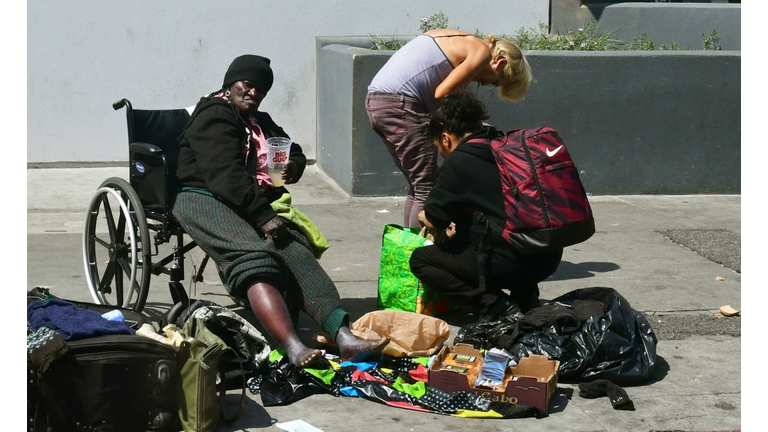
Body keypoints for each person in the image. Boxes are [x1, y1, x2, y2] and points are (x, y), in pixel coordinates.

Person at [173, 54, 388, 367]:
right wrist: (263, 217)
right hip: (201, 196)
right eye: (247, 85)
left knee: (296, 252)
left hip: (245, 197)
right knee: (254, 257)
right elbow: (226, 177)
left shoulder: (258, 120)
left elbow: (290, 147)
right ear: (231, 83)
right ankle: (293, 347)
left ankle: (345, 337)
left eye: (260, 89)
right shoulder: (215, 116)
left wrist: (295, 165)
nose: (253, 93)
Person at [409, 90, 562, 323]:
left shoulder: (460, 161)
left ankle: (494, 305)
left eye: (440, 148)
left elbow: (435, 218)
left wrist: (423, 215)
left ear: (445, 137)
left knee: (421, 259)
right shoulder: (507, 147)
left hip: (509, 264)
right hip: (548, 256)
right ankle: (526, 297)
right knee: (505, 222)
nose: (443, 154)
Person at [366, 29, 532, 228]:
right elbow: (442, 94)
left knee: (419, 184)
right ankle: (418, 252)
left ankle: (407, 247)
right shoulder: (481, 52)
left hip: (378, 101)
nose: (485, 83)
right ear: (500, 63)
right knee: (426, 186)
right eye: (495, 82)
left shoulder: (455, 38)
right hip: (401, 105)